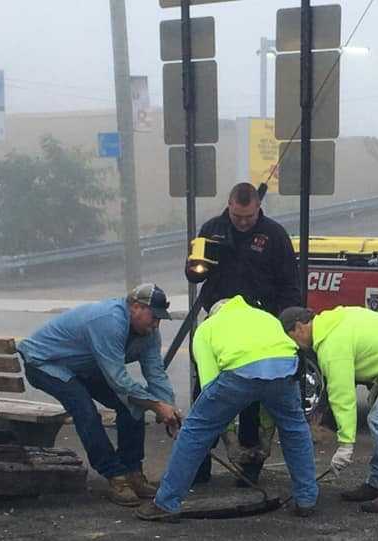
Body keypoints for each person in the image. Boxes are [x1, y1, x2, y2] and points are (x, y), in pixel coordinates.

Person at [135, 296, 318, 521]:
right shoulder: (265, 317)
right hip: (285, 368)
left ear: (213, 314)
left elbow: (210, 385)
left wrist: (226, 436)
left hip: (239, 372)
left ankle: (166, 503)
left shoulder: (207, 328)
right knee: (295, 428)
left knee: (195, 431)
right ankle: (306, 499)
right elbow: (274, 366)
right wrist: (266, 434)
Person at [19, 283, 181, 507]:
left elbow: (156, 373)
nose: (156, 325)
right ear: (135, 307)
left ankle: (133, 471)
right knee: (85, 410)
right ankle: (115, 476)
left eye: (160, 319)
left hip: (84, 366)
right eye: (153, 317)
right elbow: (118, 381)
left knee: (132, 405)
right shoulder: (109, 322)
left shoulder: (149, 334)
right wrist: (156, 405)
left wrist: (168, 408)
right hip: (46, 363)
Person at [188, 181, 301, 485]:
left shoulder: (274, 235)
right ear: (229, 205)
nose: (242, 223)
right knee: (205, 395)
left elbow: (290, 285)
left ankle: (249, 466)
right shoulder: (212, 229)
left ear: (258, 208)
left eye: (248, 217)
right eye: (237, 217)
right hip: (220, 322)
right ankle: (198, 464)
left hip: (258, 325)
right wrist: (200, 263)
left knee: (252, 398)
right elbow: (193, 274)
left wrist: (285, 324)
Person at [280, 305, 378, 514]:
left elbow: (342, 396)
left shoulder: (332, 345)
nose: (295, 346)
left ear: (299, 327)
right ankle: (377, 482)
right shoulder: (334, 321)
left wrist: (346, 444)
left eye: (290, 338)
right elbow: (374, 347)